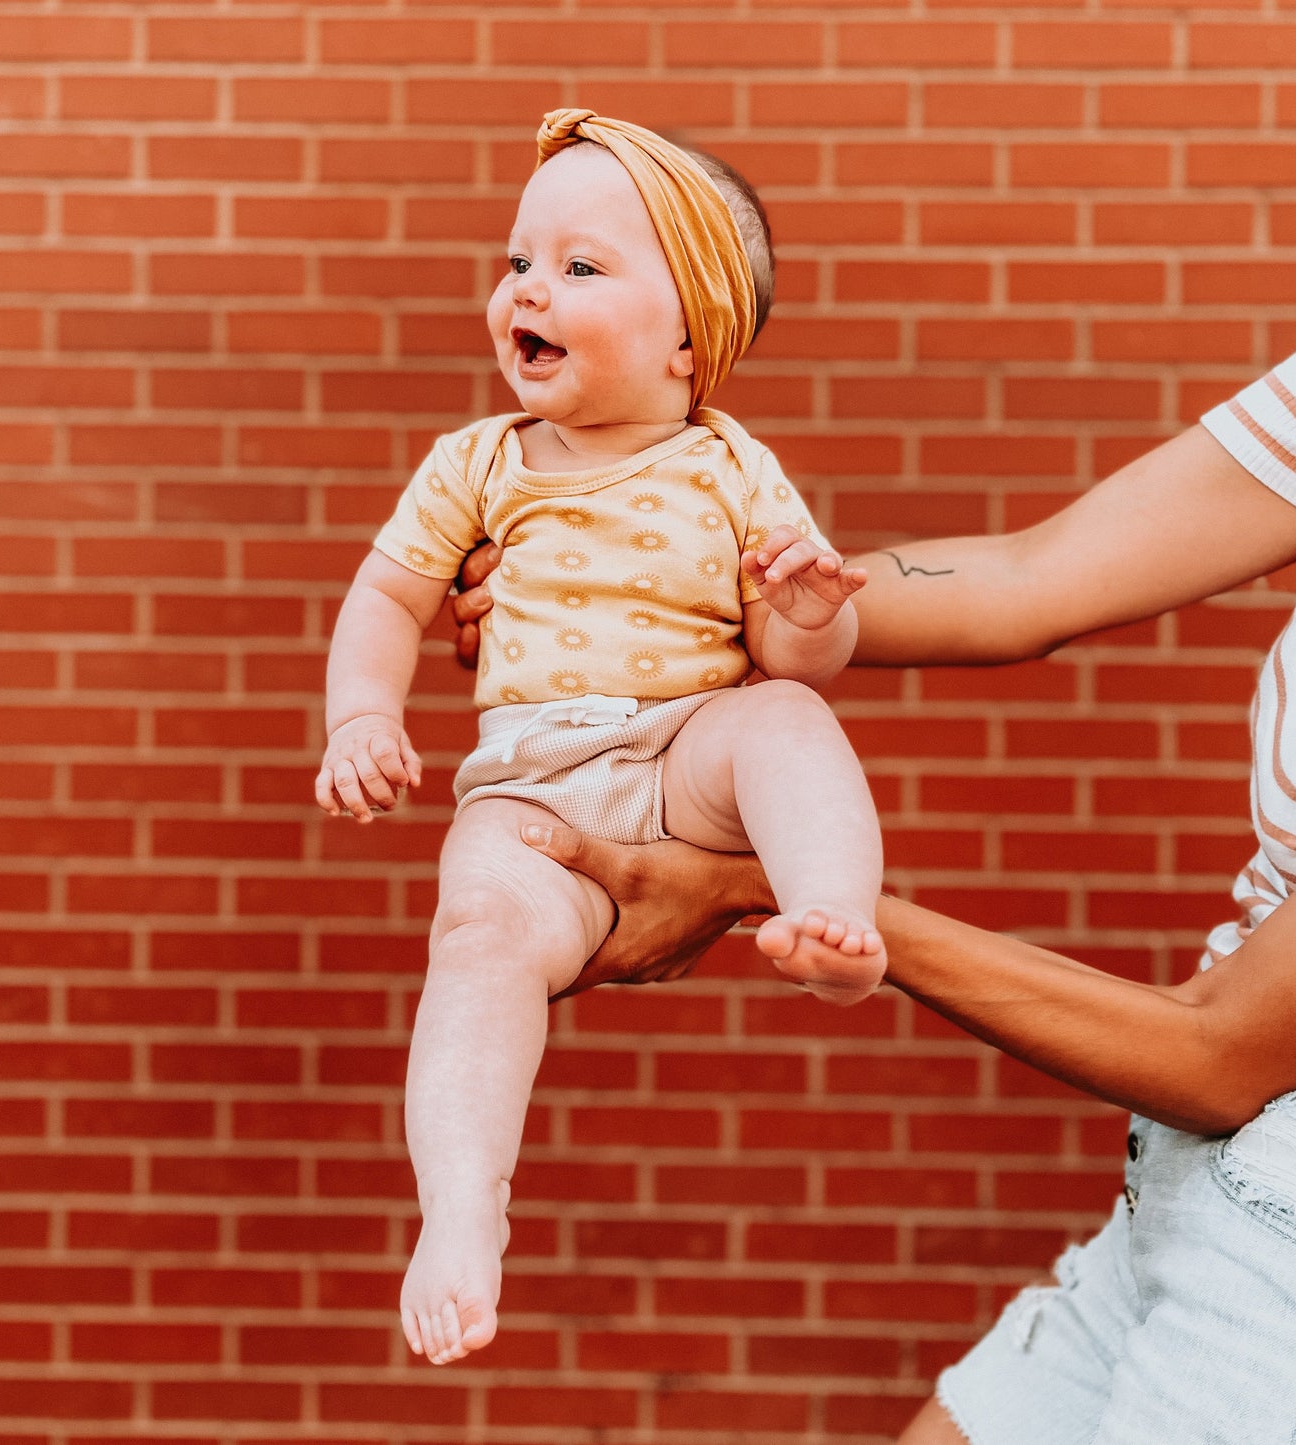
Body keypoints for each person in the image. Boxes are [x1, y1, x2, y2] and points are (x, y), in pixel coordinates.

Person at [454, 310, 1296, 1442]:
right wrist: (644, 601)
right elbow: (1037, 573)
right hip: (1197, 1172)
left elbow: (1216, 1048)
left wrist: (766, 889)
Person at [314, 110, 889, 1367]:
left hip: (685, 750)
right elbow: (387, 598)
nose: (528, 287)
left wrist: (801, 617)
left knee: (787, 714)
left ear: (692, 335)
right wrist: (362, 713)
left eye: (581, 266)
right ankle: (463, 1211)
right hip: (527, 788)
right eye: (519, 259)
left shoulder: (732, 464)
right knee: (473, 941)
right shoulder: (478, 463)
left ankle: (834, 915)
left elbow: (798, 651)